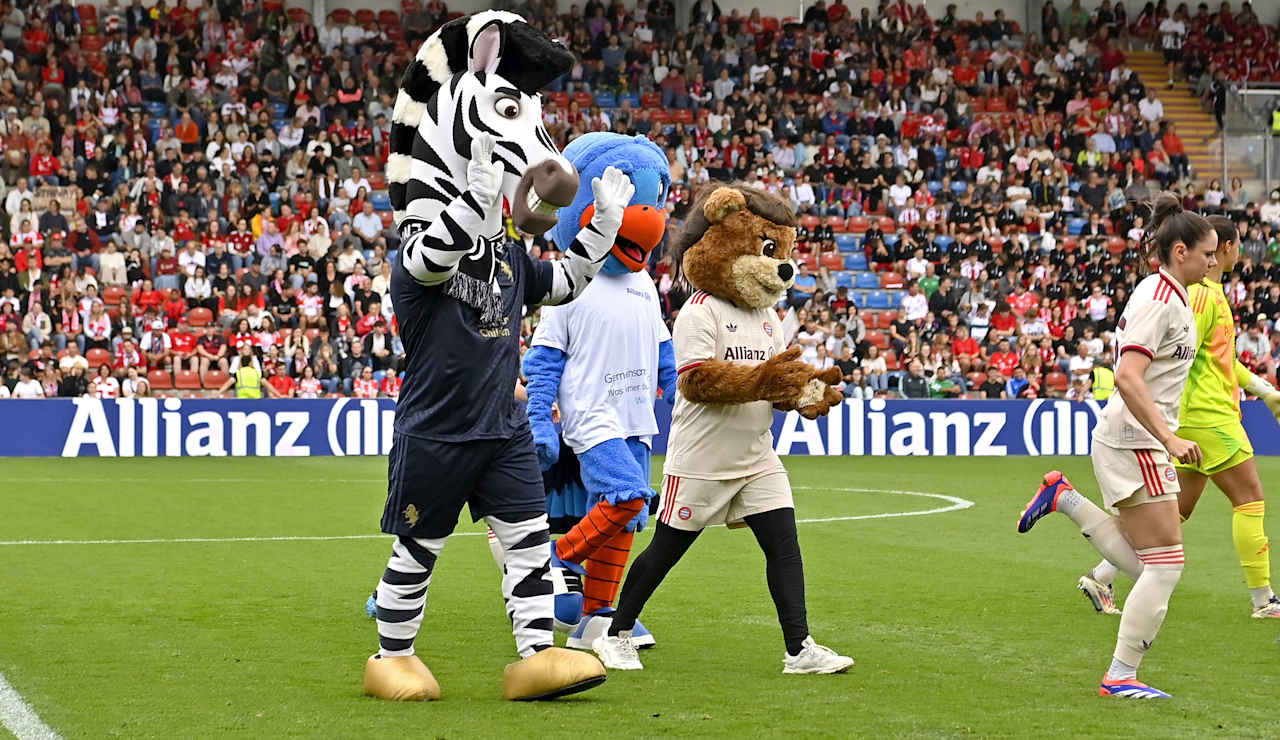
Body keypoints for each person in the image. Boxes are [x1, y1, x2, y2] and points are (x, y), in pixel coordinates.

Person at [1017, 193, 1217, 699]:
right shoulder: (1160, 299)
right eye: (1207, 253)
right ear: (1179, 251)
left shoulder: (1171, 295)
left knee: (1156, 563)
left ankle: (1063, 497)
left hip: (1135, 437)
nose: (1213, 261)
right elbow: (1128, 375)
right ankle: (1120, 675)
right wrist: (1168, 436)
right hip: (1138, 440)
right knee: (1166, 564)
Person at [1078, 217, 1280, 620]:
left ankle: (1102, 575)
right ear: (1224, 247)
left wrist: (1267, 393)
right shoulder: (1198, 297)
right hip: (1207, 418)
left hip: (1197, 420)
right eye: (1234, 246)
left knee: (1172, 516)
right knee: (1250, 499)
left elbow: (1223, 361)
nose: (1237, 253)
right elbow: (1171, 358)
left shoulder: (1208, 295)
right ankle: (1264, 600)